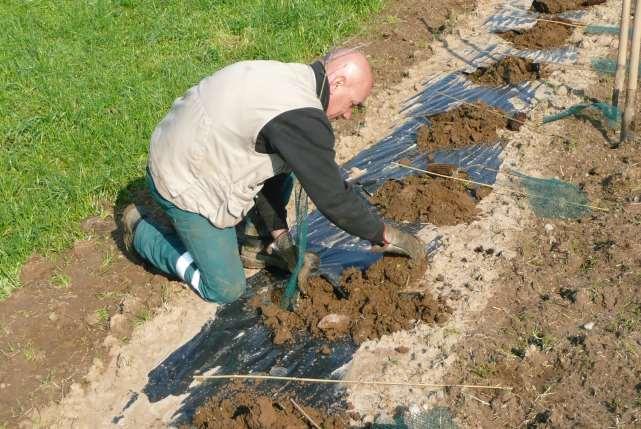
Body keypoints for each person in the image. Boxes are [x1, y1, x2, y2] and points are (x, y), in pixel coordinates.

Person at [122, 49, 426, 304]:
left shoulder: (294, 80)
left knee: (291, 165)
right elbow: (333, 197)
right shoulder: (300, 116)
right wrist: (382, 234)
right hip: (183, 179)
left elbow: (270, 167)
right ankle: (142, 232)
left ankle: (258, 241)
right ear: (338, 81)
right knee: (226, 288)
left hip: (190, 146)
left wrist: (280, 238)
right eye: (353, 103)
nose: (348, 114)